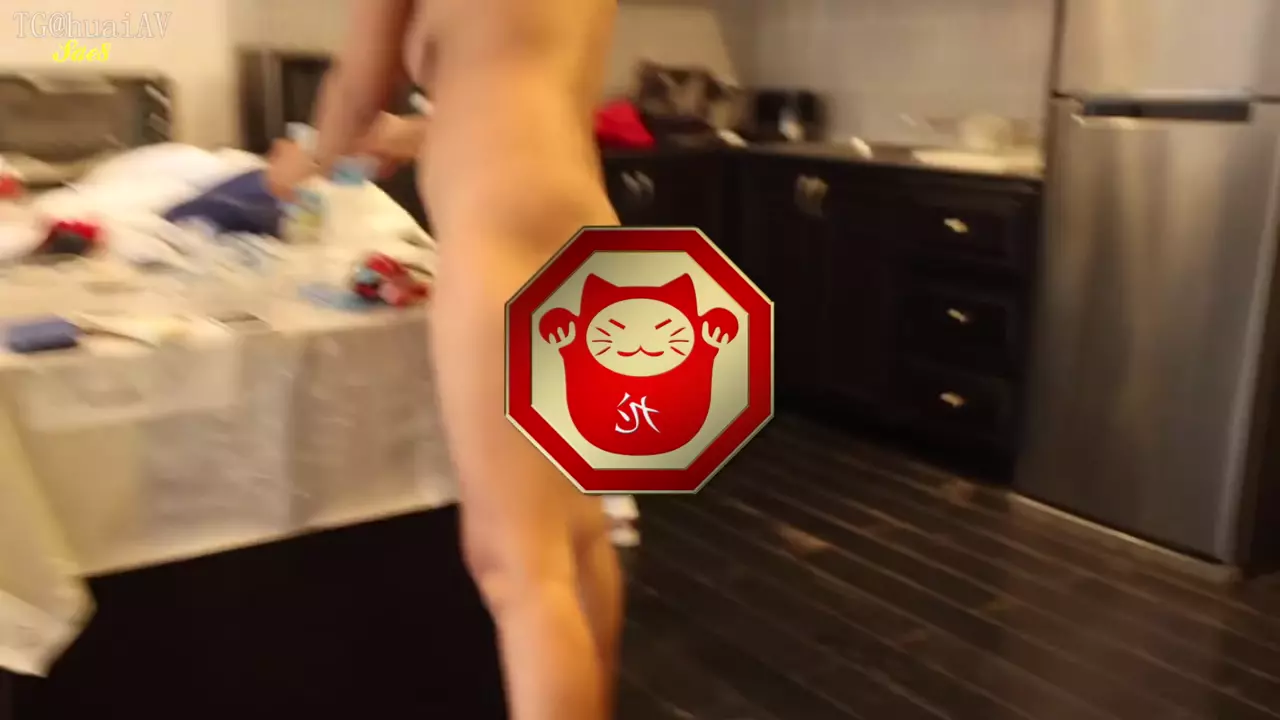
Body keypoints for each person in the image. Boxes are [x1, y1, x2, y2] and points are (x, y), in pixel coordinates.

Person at [267, 2, 624, 720]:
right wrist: (412, 134)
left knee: (519, 569)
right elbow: (519, 89)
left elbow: (358, 88)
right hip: (591, 230)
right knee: (582, 536)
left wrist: (300, 161)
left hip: (504, 234)